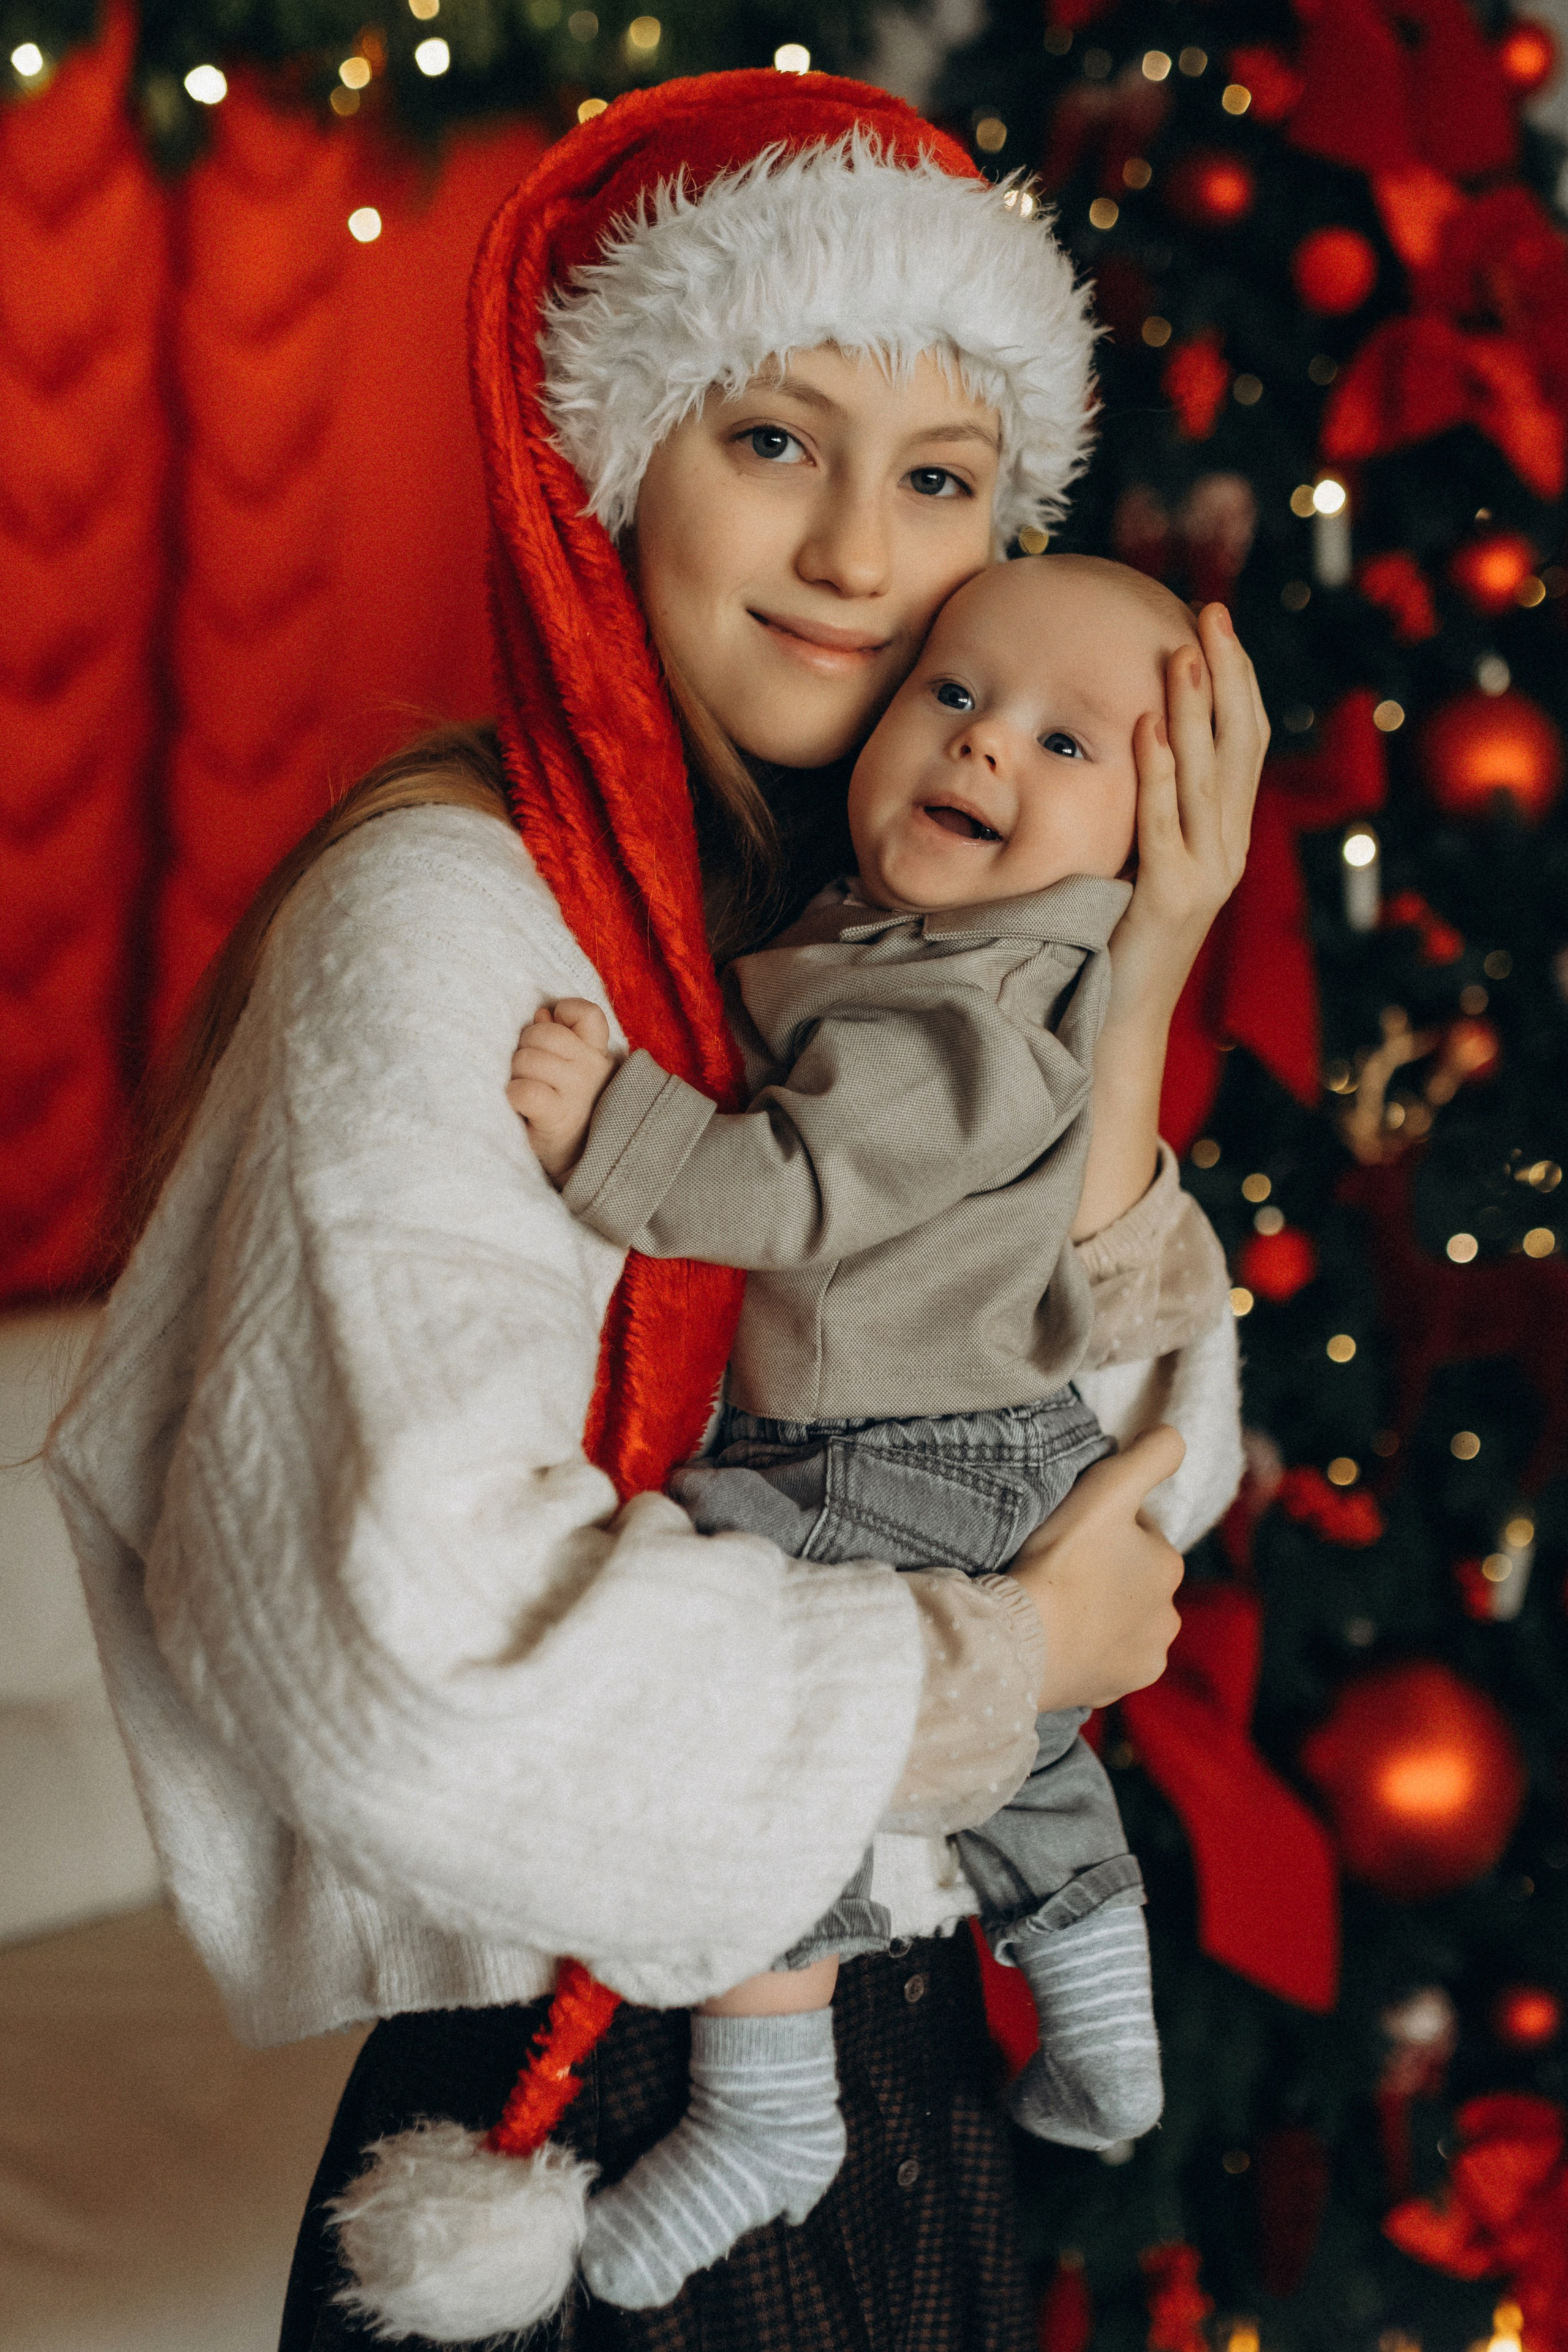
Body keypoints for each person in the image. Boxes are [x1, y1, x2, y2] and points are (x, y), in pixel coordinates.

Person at [45, 69, 1264, 2352]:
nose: (853, 560)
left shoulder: (914, 915)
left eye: (937, 482)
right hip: (597, 2115)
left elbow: (1143, 1451)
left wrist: (1150, 966)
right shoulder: (451, 925)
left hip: (912, 2094)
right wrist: (997, 1667)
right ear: (606, 465)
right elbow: (413, 1665)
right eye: (773, 443)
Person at [508, 554, 1232, 2309]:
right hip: (990, 1445)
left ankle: (770, 2104)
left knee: (766, 1743)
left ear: (1146, 835)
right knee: (1031, 1755)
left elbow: (800, 1187)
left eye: (1064, 741)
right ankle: (1107, 2013)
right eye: (958, 694)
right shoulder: (959, 954)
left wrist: (617, 1130)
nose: (983, 749)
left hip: (866, 1454)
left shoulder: (955, 1007)